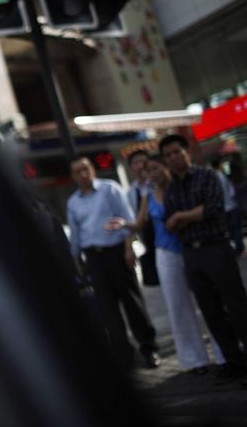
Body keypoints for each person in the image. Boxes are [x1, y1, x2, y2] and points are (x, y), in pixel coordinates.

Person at [106, 154, 224, 374]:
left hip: (190, 248)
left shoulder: (179, 188)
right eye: (148, 170)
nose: (151, 173)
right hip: (165, 253)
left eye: (155, 168)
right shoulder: (146, 195)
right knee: (178, 307)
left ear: (166, 167)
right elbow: (139, 223)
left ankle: (223, 353)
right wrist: (124, 225)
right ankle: (194, 360)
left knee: (208, 302)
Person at [160, 134, 247, 383]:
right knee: (211, 311)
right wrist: (186, 216)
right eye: (168, 155)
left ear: (187, 152)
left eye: (177, 152)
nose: (173, 158)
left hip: (215, 247)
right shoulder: (172, 187)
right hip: (191, 254)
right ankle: (234, 362)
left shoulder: (206, 176)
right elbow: (168, 221)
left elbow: (212, 209)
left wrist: (180, 217)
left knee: (237, 306)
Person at [67, 157, 160, 369]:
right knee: (108, 311)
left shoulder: (110, 189)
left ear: (92, 169)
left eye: (86, 169)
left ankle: (149, 349)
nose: (83, 174)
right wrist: (78, 262)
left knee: (133, 304)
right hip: (93, 258)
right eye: (78, 171)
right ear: (73, 176)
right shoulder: (73, 202)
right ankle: (125, 356)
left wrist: (129, 249)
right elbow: (75, 235)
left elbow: (127, 219)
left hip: (117, 253)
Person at [126, 149, 159, 286]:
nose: (140, 166)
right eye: (136, 163)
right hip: (148, 241)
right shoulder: (131, 192)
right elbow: (134, 220)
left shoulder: (159, 184)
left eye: (143, 162)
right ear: (131, 167)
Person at [211, 156, 244, 256]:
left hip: (223, 208)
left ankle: (237, 247)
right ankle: (239, 247)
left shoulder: (213, 177)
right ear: (219, 164)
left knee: (230, 229)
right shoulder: (223, 175)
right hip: (231, 206)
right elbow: (231, 191)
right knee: (236, 228)